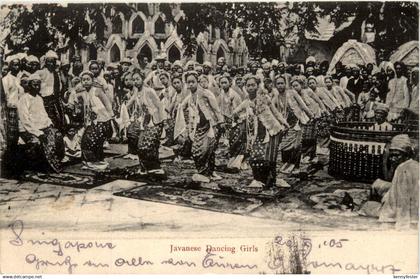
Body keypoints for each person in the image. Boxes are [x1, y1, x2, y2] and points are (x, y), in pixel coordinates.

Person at [232, 75, 289, 188]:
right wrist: (239, 119)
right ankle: (258, 179)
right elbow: (235, 112)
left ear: (257, 85)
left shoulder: (265, 98)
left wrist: (284, 123)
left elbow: (275, 112)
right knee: (255, 156)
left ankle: (271, 179)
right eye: (248, 85)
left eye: (253, 85)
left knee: (270, 157)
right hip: (257, 133)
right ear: (245, 87)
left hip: (272, 130)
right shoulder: (246, 102)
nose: (251, 87)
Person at [174, 71, 224, 183]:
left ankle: (207, 172)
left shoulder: (206, 93)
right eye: (188, 82)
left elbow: (216, 108)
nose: (190, 84)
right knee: (197, 149)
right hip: (197, 127)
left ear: (197, 82)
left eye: (193, 82)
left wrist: (220, 122)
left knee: (207, 150)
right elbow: (183, 105)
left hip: (209, 125)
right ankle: (207, 172)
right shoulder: (190, 96)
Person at [366, 134, 418, 229]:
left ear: (406, 155)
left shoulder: (402, 169)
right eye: (391, 156)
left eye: (396, 156)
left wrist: (402, 225)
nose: (392, 159)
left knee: (366, 207)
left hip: (395, 212)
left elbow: (403, 201)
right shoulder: (415, 165)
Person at [17, 73, 65, 172]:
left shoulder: (39, 98)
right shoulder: (24, 99)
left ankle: (54, 162)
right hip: (29, 130)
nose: (37, 87)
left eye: (38, 85)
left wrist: (50, 124)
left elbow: (44, 115)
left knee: (58, 135)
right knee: (39, 141)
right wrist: (37, 132)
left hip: (43, 127)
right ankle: (43, 166)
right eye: (34, 85)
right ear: (29, 86)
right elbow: (25, 120)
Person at [125, 70, 166, 174]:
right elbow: (130, 103)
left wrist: (162, 122)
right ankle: (146, 168)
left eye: (137, 79)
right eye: (133, 80)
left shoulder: (149, 91)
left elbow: (160, 106)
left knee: (147, 145)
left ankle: (154, 168)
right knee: (141, 145)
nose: (135, 82)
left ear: (142, 79)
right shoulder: (136, 92)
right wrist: (123, 110)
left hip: (156, 121)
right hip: (145, 122)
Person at [78, 71, 114, 170]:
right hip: (93, 120)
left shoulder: (97, 90)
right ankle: (92, 161)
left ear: (92, 80)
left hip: (102, 119)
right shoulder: (85, 93)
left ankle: (95, 161)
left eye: (88, 79)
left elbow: (107, 104)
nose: (85, 82)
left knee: (92, 140)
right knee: (87, 140)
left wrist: (111, 117)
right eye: (83, 80)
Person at [35, 50, 64, 131]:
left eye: (53, 62)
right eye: (49, 62)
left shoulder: (56, 74)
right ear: (46, 62)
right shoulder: (41, 73)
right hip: (43, 100)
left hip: (54, 100)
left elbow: (59, 88)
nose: (51, 64)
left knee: (57, 119)